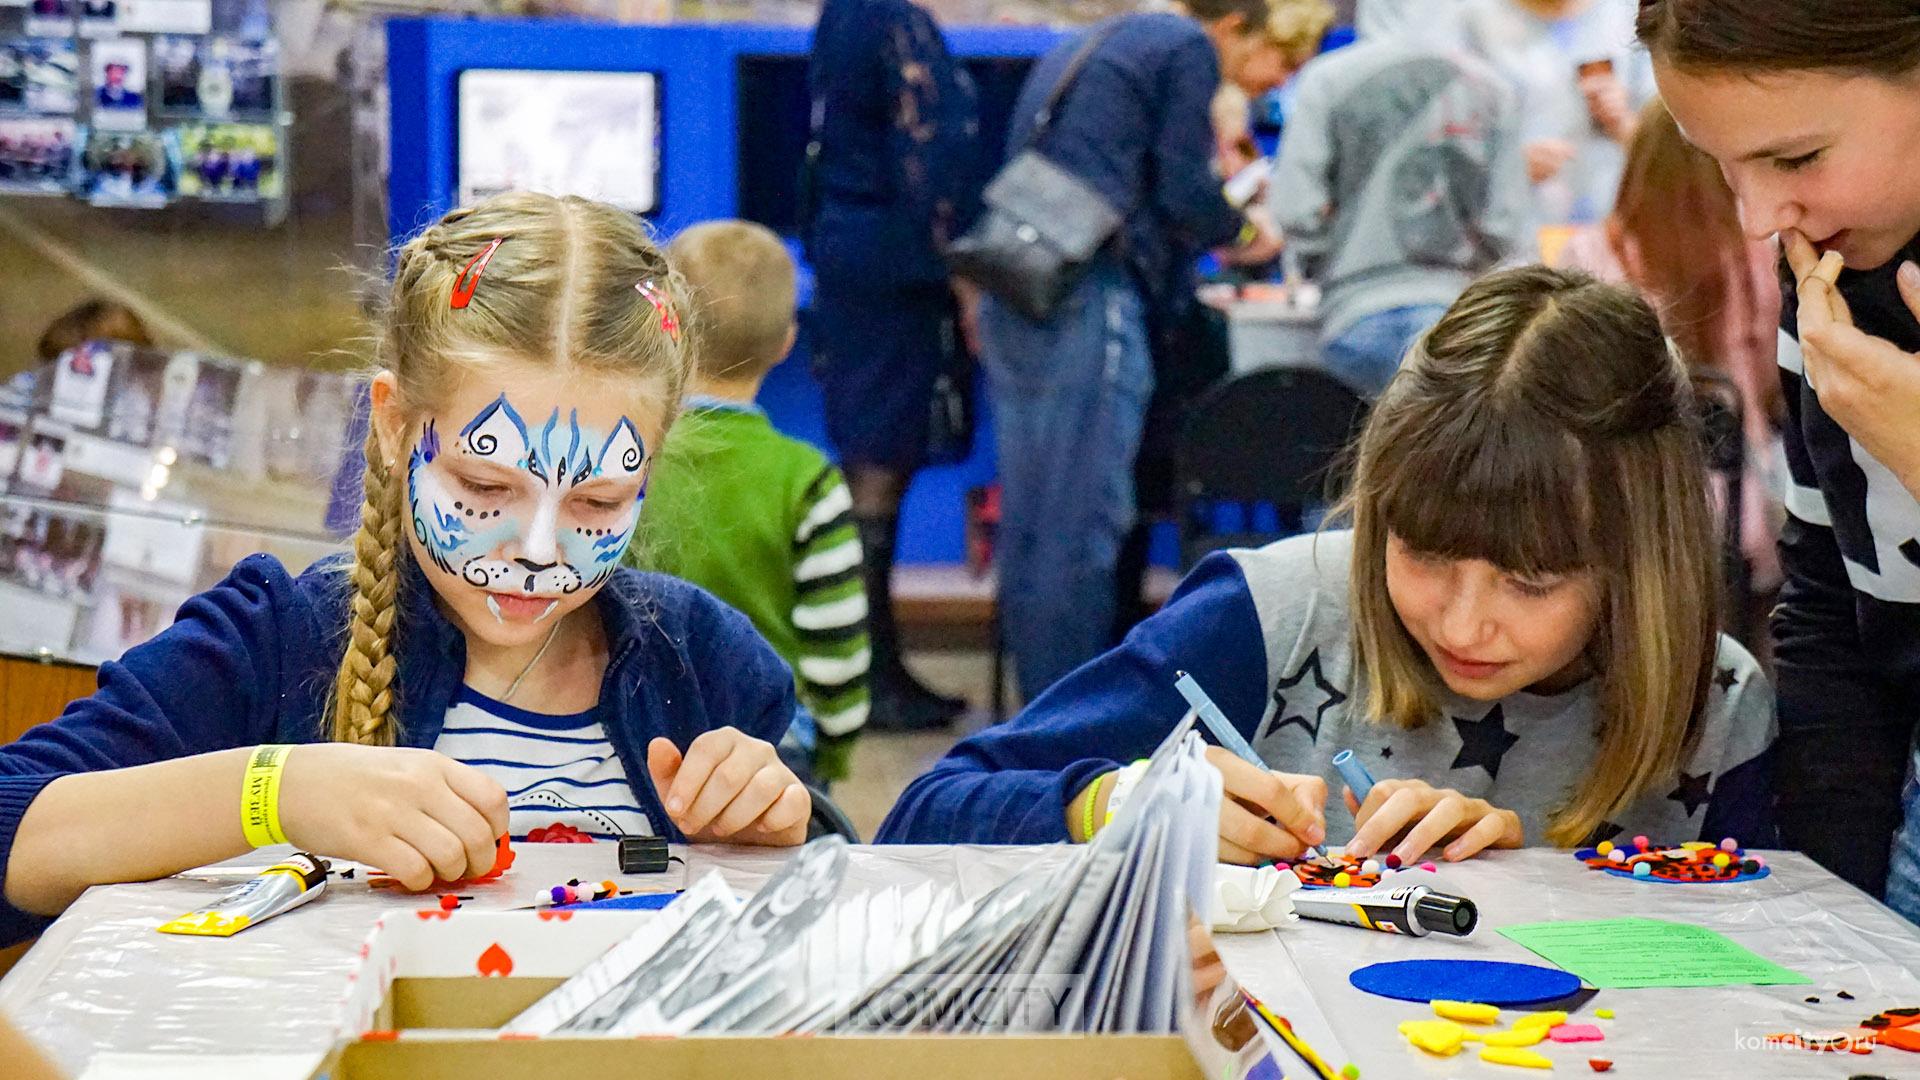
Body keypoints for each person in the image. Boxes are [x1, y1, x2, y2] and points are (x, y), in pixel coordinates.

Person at [0, 193, 811, 946]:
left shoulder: (707, 662)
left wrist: (770, 825)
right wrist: (275, 793)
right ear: (393, 425)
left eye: (597, 501)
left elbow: (826, 897)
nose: (536, 549)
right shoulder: (275, 639)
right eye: (486, 487)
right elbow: (13, 834)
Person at [880, 267, 1776, 867]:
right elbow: (920, 820)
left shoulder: (1717, 706)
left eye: (1532, 582)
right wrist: (1113, 807)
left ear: (1637, 559)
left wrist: (1534, 890)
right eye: (1423, 553)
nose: (1464, 624)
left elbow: (1793, 985)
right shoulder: (1275, 612)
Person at [1636, 0, 1920, 920]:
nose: (1760, 217)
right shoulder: (1827, 274)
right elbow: (1832, 606)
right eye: (1722, 166)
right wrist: (1834, 916)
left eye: (1797, 159)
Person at [980, 0, 1294, 705]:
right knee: (1084, 529)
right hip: (1088, 296)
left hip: (1025, 293)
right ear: (1236, 24)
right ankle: (1064, 730)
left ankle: (1034, 714)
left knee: (1036, 525)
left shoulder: (1095, 41)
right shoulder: (1184, 45)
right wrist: (1248, 234)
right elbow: (1184, 191)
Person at [627, 221, 870, 787]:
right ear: (787, 342)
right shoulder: (807, 479)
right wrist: (830, 759)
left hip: (640, 736)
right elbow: (837, 644)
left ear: (664, 328)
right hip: (774, 753)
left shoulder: (626, 464)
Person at [803, 0, 981, 732]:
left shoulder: (844, 14)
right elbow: (928, 158)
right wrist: (968, 277)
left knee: (870, 465)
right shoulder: (893, 19)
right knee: (879, 468)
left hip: (855, 260)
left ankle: (871, 667)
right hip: (895, 272)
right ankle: (871, 679)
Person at [1556, 97, 1784, 593]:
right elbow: (1771, 383)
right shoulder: (1756, 256)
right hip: (1745, 514)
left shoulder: (1588, 256)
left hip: (1627, 516)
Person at [1270, 0, 1530, 398]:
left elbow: (1295, 209)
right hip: (1455, 318)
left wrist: (1325, 258)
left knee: (1371, 452)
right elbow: (1505, 224)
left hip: (1356, 315)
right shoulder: (1492, 88)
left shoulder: (1326, 79)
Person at [1456, 0, 1652, 226]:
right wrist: (1511, 167)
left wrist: (1623, 123)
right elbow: (1455, 148)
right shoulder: (1480, 24)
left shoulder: (1628, 17)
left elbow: (1671, 147)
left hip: (1616, 224)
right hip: (1519, 230)